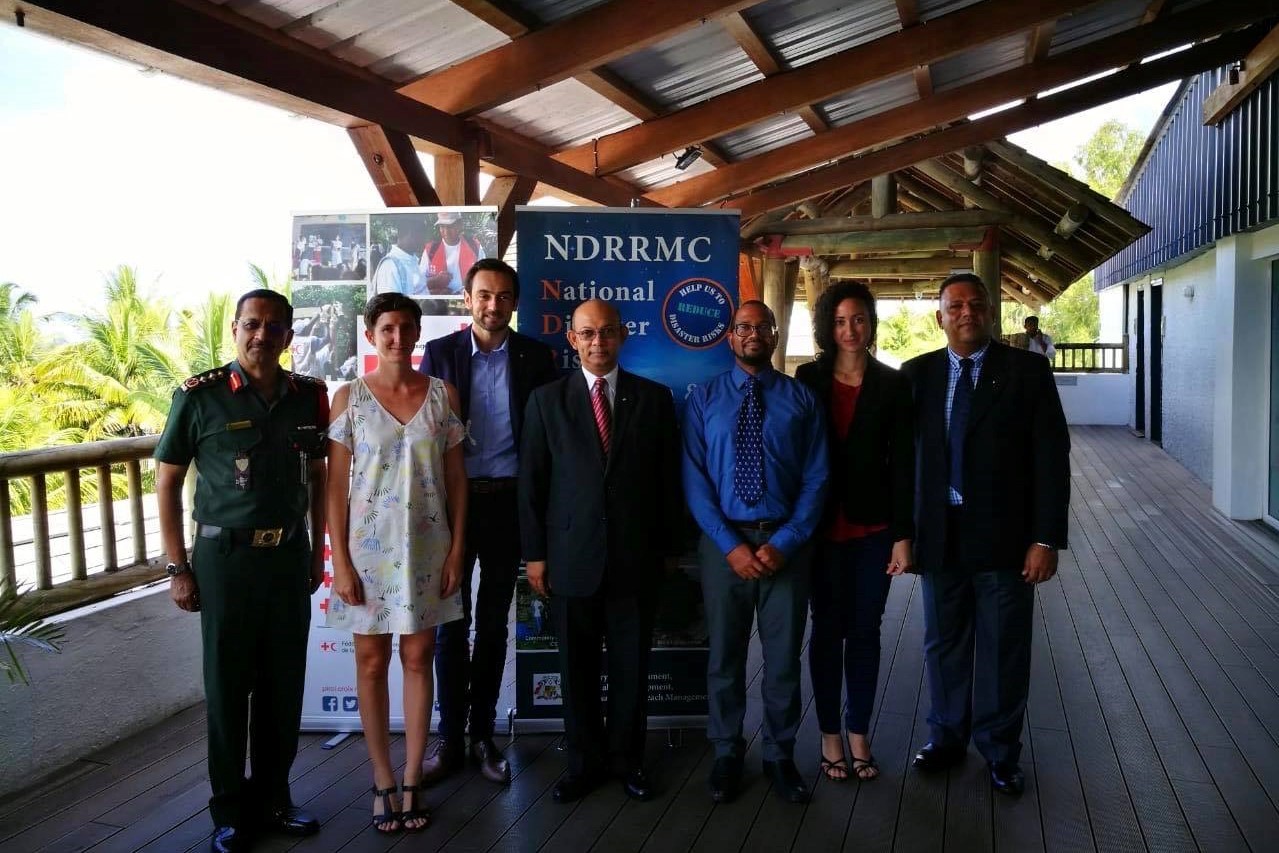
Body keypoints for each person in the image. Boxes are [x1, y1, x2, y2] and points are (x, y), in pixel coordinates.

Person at [155, 289, 328, 853]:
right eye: (252, 324)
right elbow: (167, 482)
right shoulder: (200, 397)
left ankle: (275, 799)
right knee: (229, 688)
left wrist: (317, 553)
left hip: (287, 558)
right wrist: (178, 567)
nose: (262, 335)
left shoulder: (309, 396)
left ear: (288, 337)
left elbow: (318, 478)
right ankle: (229, 812)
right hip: (224, 561)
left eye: (274, 327)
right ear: (235, 329)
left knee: (283, 684)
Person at [901, 273, 1069, 797]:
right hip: (939, 536)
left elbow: (1052, 458)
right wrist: (902, 534)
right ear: (940, 317)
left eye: (976, 304)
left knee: (1003, 649)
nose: (966, 313)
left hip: (1006, 538)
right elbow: (902, 463)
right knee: (943, 643)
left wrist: (1045, 538)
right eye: (955, 306)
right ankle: (947, 738)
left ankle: (999, 750)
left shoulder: (1027, 372)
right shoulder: (917, 374)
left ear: (990, 312)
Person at [518, 298, 684, 803]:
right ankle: (583, 763)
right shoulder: (546, 401)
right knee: (577, 668)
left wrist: (669, 551)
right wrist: (535, 555)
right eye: (587, 333)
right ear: (572, 339)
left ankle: (628, 761)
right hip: (570, 557)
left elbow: (668, 481)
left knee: (632, 668)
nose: (598, 342)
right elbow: (532, 484)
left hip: (636, 557)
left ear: (622, 335)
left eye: (607, 331)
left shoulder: (653, 398)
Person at [325, 293, 467, 833]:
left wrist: (457, 548)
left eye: (407, 327)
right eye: (387, 328)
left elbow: (457, 480)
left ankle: (412, 777)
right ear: (371, 335)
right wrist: (340, 562)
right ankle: (382, 776)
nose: (398, 337)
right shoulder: (349, 398)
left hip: (429, 547)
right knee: (369, 662)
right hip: (367, 552)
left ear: (417, 333)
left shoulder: (442, 395)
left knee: (419, 655)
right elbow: (335, 488)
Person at [418, 258, 557, 785]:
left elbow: (544, 442)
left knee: (494, 622)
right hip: (451, 505)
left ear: (514, 303)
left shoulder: (537, 358)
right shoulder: (440, 354)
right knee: (450, 624)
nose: (492, 305)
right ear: (467, 299)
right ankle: (449, 737)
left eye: (502, 296)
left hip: (508, 504)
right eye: (483, 295)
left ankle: (483, 735)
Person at [682, 300, 827, 805]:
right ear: (730, 337)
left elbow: (817, 478)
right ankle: (726, 751)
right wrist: (731, 546)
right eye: (743, 327)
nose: (753, 334)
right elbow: (694, 480)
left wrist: (784, 543)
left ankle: (779, 754)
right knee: (724, 655)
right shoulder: (703, 399)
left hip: (786, 546)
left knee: (783, 659)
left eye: (762, 326)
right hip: (725, 547)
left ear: (774, 335)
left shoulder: (801, 399)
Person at [794, 281, 915, 783]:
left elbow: (904, 463)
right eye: (841, 321)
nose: (850, 329)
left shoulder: (893, 383)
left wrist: (903, 535)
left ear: (871, 323)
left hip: (874, 528)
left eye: (859, 319)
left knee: (865, 631)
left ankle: (859, 732)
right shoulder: (807, 378)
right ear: (828, 326)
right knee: (826, 630)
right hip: (820, 528)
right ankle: (829, 735)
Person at [421, 211, 485, 295]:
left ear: (460, 225)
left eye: (450, 226)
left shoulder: (474, 246)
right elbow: (418, 284)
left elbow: (485, 276)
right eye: (442, 227)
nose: (446, 232)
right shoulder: (431, 249)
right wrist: (435, 281)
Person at [373, 219, 430, 296]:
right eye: (422, 235)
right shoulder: (390, 266)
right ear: (412, 234)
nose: (425, 240)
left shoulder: (412, 261)